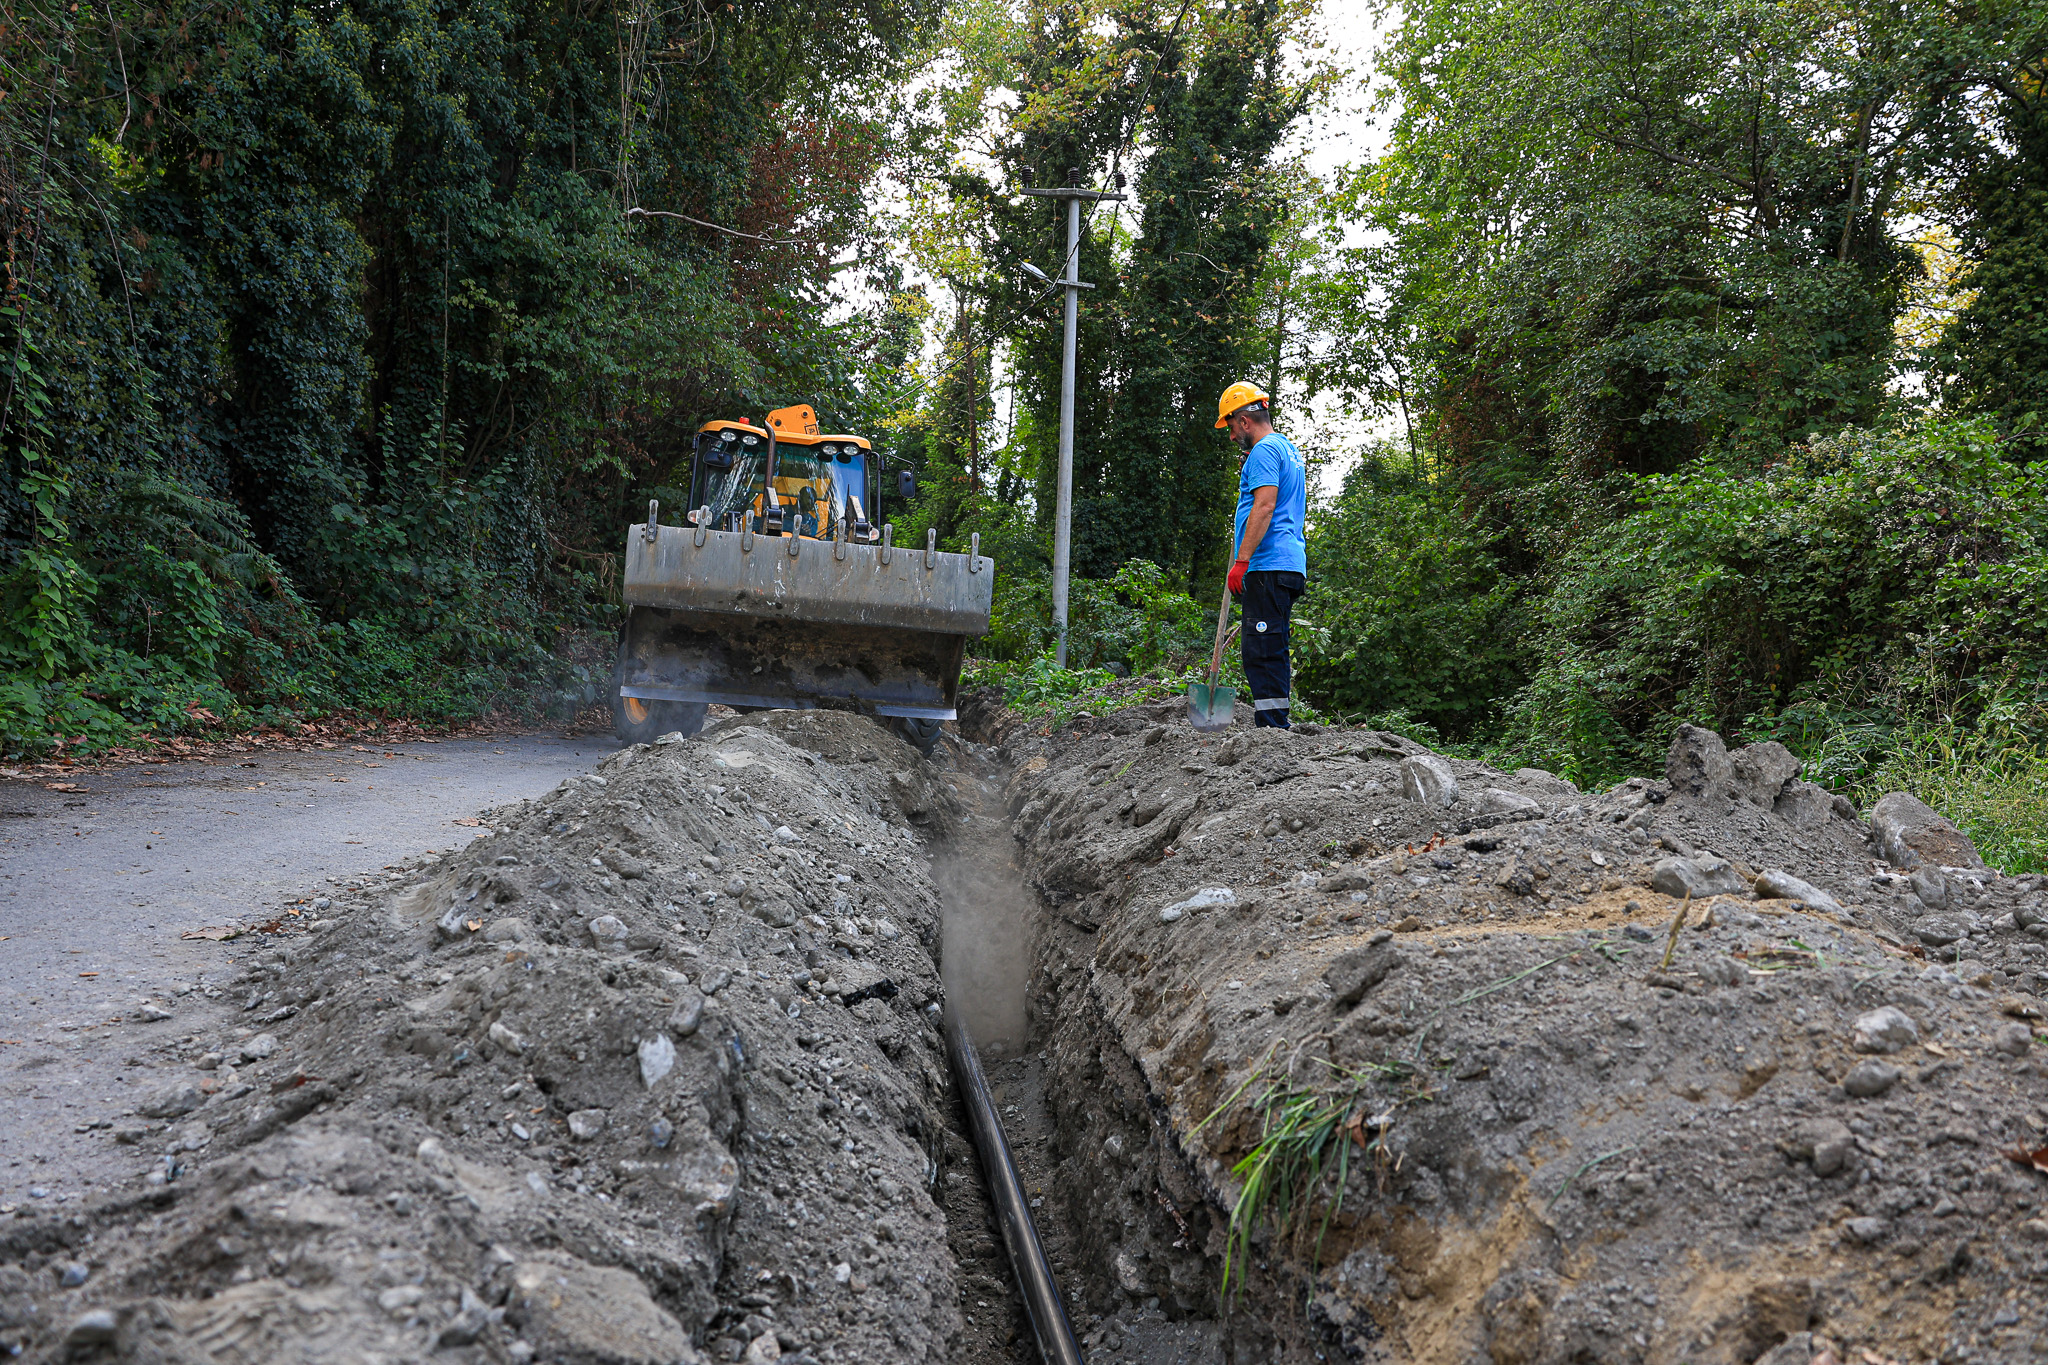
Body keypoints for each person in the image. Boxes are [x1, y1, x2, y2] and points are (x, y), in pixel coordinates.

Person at [1216, 382, 1307, 728]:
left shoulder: (1265, 451)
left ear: (1244, 421)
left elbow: (1265, 506)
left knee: (1262, 647)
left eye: (1230, 427)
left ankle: (1272, 727)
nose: (1231, 436)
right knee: (1272, 644)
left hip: (1268, 565)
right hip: (1287, 563)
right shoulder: (1286, 448)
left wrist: (1242, 562)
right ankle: (1276, 721)